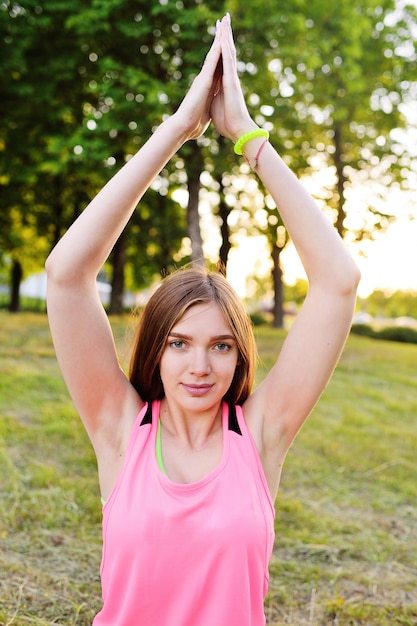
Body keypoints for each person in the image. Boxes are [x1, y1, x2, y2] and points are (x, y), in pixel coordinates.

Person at [46, 13, 360, 626]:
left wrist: (248, 137)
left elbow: (337, 281)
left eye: (220, 346)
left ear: (240, 356)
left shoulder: (261, 435)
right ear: (154, 352)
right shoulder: (119, 430)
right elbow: (66, 275)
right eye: (179, 343)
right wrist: (177, 130)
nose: (198, 366)